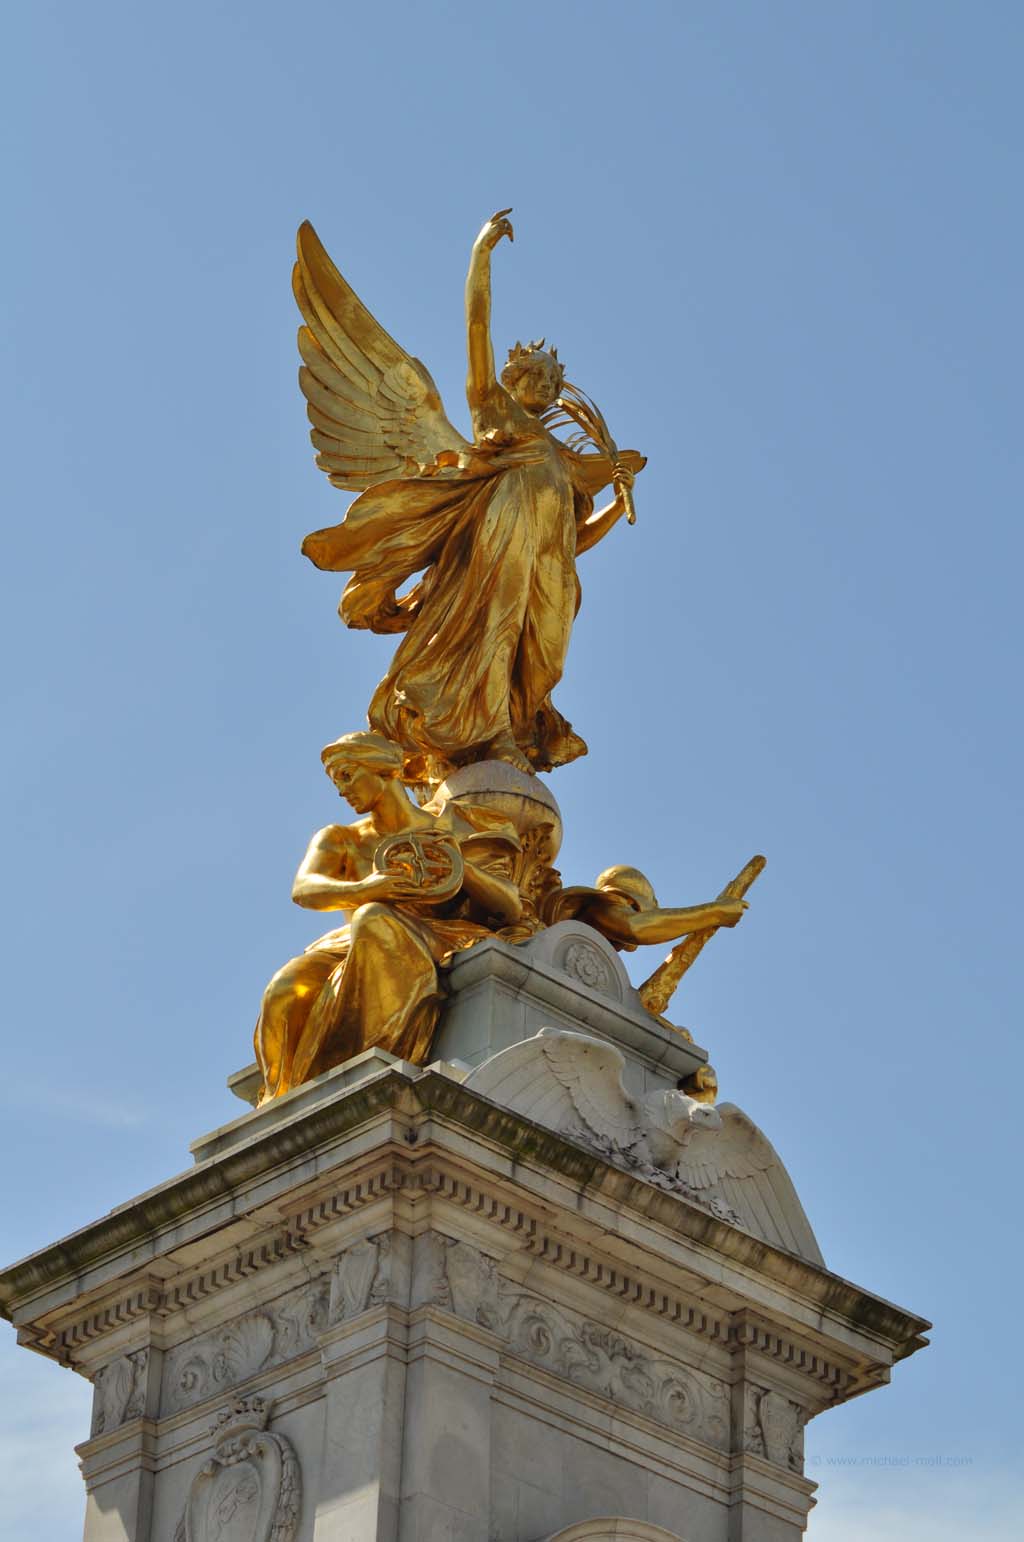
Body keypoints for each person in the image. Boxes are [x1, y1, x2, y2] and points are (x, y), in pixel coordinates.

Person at [296, 211, 645, 784]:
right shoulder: (494, 409)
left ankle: (516, 723)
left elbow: (573, 539)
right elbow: (477, 328)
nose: (545, 386)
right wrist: (480, 257)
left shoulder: (562, 461)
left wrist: (615, 494)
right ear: (513, 378)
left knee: (542, 652)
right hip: (497, 541)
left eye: (552, 382)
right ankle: (495, 736)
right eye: (535, 375)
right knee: (494, 633)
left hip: (548, 562)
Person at [253, 731, 522, 1102]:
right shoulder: (341, 838)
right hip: (354, 938)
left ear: (385, 769)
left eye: (347, 775)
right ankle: (280, 1100)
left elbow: (510, 906)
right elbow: (304, 889)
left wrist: (462, 869)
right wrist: (367, 888)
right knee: (285, 989)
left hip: (436, 933)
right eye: (336, 781)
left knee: (374, 920)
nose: (341, 790)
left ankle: (371, 1067)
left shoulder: (456, 825)